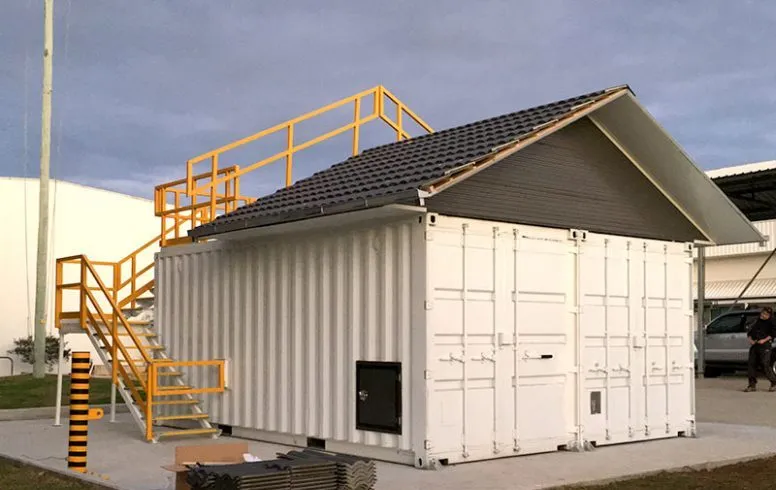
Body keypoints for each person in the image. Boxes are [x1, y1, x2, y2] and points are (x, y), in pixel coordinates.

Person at [744, 306, 776, 392]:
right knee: (751, 364)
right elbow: (750, 332)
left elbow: (772, 335)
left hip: (765, 345)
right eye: (763, 313)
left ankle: (774, 382)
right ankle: (752, 385)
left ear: (769, 316)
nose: (763, 315)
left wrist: (764, 340)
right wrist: (750, 340)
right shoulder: (757, 321)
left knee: (765, 364)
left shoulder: (772, 322)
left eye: (766, 314)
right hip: (755, 345)